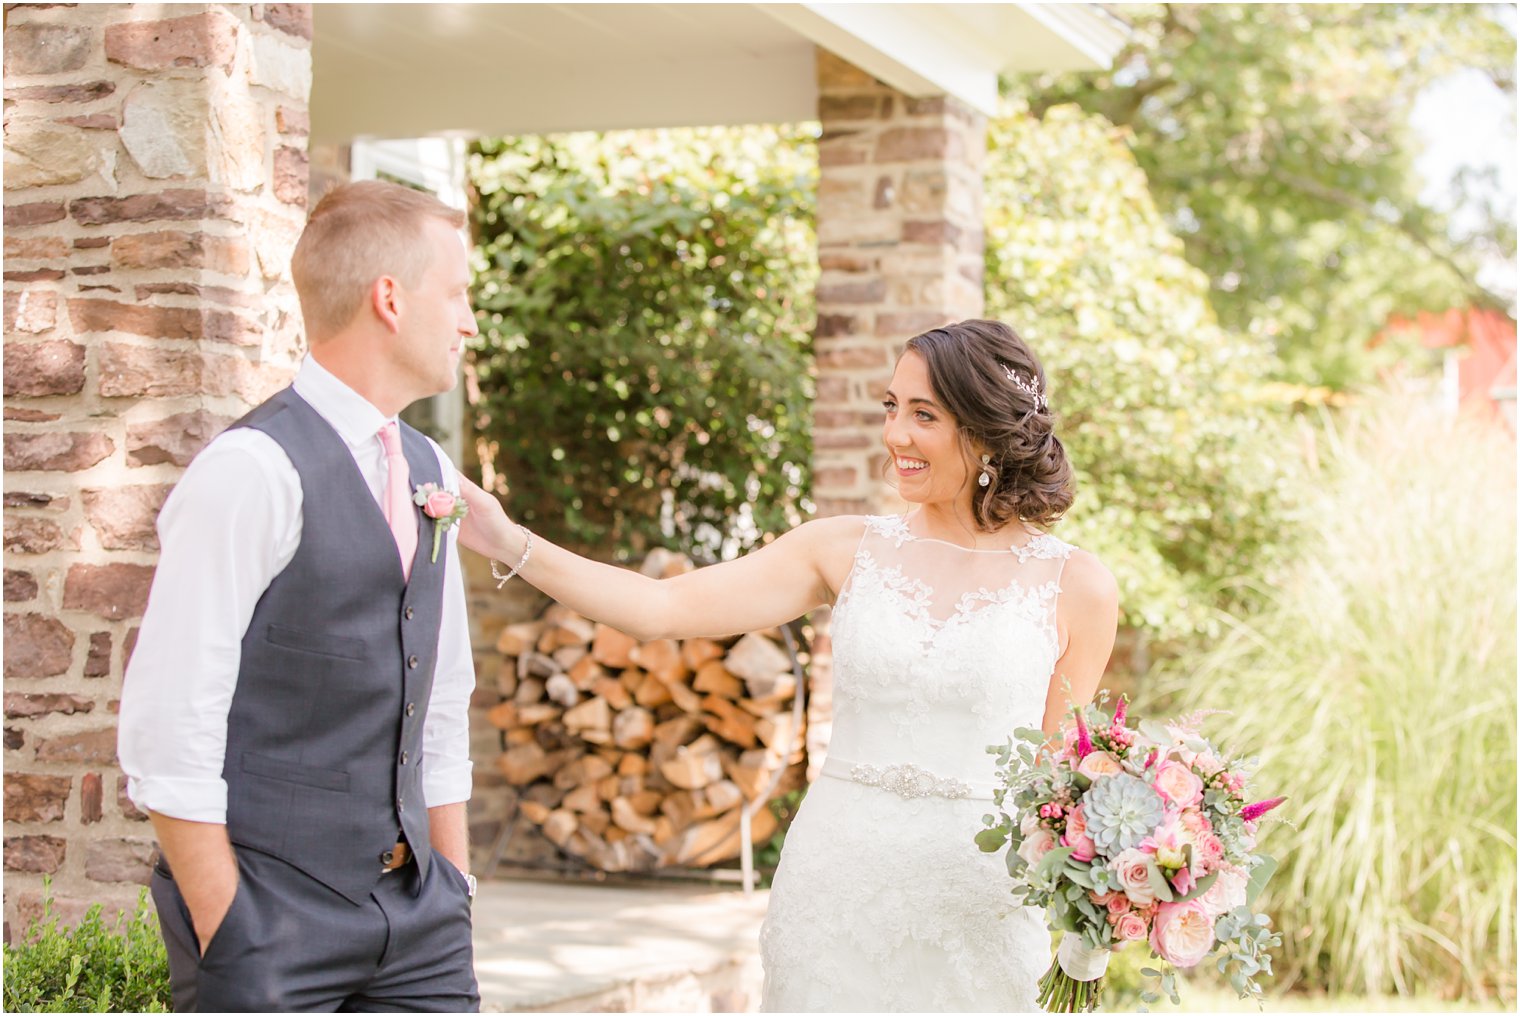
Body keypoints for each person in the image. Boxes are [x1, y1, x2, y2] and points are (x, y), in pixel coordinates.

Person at [455, 318, 1119, 1011]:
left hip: (982, 909)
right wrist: (511, 542)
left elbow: (1057, 789)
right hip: (836, 894)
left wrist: (1110, 895)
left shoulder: (1078, 586)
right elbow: (661, 607)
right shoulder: (840, 549)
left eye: (924, 415)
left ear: (986, 430)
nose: (895, 436)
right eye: (891, 408)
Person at [118, 180, 482, 1012]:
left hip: (419, 926)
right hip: (273, 926)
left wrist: (452, 889)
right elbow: (168, 725)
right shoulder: (250, 471)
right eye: (457, 295)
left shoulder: (429, 470)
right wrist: (231, 927)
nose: (469, 323)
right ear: (389, 299)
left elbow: (443, 700)